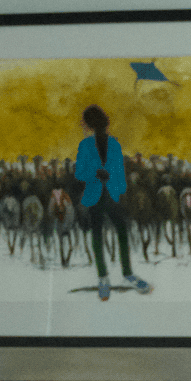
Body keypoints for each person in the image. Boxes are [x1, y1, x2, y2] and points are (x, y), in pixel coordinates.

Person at [76, 105, 151, 300]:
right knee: (97, 235)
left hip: (112, 195)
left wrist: (118, 190)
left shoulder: (115, 145)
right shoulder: (84, 146)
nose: (82, 125)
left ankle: (128, 273)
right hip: (94, 196)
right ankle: (103, 278)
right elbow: (79, 173)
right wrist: (95, 173)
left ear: (92, 123)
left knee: (123, 230)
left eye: (84, 121)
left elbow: (120, 173)